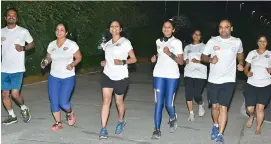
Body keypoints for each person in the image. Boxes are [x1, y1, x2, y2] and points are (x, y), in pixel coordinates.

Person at [201, 19, 244, 143]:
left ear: (231, 28)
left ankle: (220, 134)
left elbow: (240, 54)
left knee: (223, 108)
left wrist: (241, 63)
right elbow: (203, 57)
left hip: (229, 80)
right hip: (213, 80)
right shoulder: (212, 41)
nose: (223, 30)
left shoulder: (237, 41)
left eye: (226, 27)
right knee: (215, 107)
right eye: (221, 27)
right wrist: (210, 60)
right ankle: (215, 125)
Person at [99, 20, 137, 139]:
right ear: (109, 29)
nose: (114, 28)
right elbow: (108, 59)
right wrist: (105, 62)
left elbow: (134, 59)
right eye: (112, 26)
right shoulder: (107, 44)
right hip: (107, 75)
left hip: (121, 76)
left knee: (118, 102)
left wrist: (122, 62)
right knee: (106, 100)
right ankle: (103, 128)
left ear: (120, 29)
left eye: (116, 26)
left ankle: (121, 121)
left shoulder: (125, 42)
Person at [40, 23, 82, 131]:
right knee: (54, 100)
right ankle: (58, 123)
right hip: (54, 76)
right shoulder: (51, 44)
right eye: (57, 30)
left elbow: (78, 57)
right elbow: (48, 57)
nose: (59, 32)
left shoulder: (71, 44)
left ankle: (70, 113)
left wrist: (72, 65)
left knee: (63, 102)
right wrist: (45, 62)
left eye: (62, 30)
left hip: (67, 77)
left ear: (66, 32)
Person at [150, 19, 184, 139]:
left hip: (172, 76)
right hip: (158, 74)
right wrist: (155, 57)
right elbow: (160, 53)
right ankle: (157, 129)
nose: (166, 29)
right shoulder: (158, 41)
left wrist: (170, 54)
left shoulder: (177, 42)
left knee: (169, 104)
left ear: (173, 29)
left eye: (169, 27)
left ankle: (172, 117)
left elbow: (181, 62)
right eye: (164, 27)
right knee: (158, 103)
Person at [1, 8, 34, 125]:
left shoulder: (23, 31)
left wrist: (23, 48)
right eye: (9, 15)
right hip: (3, 69)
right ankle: (12, 116)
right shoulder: (1, 32)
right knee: (5, 94)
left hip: (17, 69)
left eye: (13, 15)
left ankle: (24, 107)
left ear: (17, 18)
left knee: (15, 94)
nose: (11, 17)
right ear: (5, 18)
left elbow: (31, 44)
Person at [243, 35, 271, 135]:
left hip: (266, 85)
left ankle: (258, 127)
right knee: (250, 109)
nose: (262, 43)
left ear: (267, 43)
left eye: (264, 41)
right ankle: (251, 116)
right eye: (260, 41)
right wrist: (247, 73)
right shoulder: (252, 53)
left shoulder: (270, 54)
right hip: (252, 83)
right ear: (257, 42)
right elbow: (246, 67)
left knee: (260, 108)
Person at [183, 29, 207, 121]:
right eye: (195, 34)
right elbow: (184, 59)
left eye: (199, 34)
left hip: (200, 74)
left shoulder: (205, 47)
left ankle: (201, 104)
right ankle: (191, 113)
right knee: (188, 94)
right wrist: (186, 61)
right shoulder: (187, 47)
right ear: (192, 35)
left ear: (201, 37)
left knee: (197, 94)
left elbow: (209, 59)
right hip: (188, 72)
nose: (196, 36)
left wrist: (199, 61)